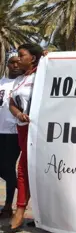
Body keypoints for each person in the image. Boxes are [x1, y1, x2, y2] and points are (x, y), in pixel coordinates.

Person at [0, 43, 45, 233]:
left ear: (33, 59)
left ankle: (19, 213)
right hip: (22, 129)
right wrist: (18, 114)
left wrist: (48, 56)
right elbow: (12, 103)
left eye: (21, 55)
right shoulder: (19, 80)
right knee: (24, 169)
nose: (18, 59)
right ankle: (24, 211)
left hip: (40, 131)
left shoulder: (42, 74)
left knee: (27, 169)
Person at [0, 53, 23, 218]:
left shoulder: (23, 83)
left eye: (18, 62)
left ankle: (8, 205)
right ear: (7, 65)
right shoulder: (1, 83)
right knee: (5, 169)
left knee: (8, 167)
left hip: (14, 132)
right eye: (12, 63)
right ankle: (23, 188)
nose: (15, 65)